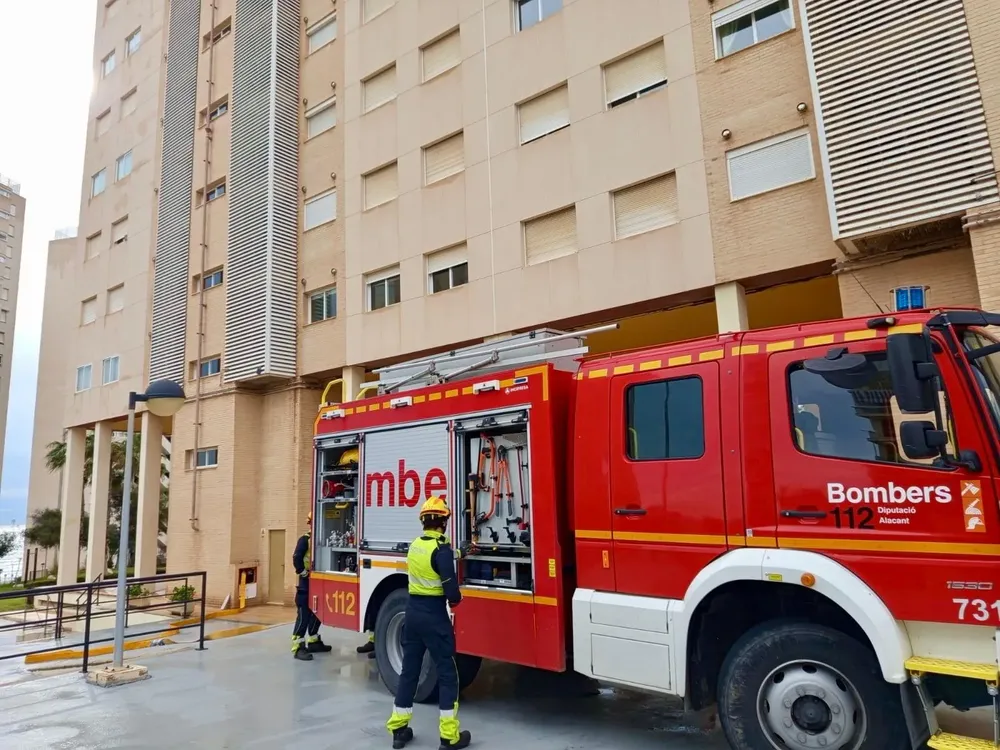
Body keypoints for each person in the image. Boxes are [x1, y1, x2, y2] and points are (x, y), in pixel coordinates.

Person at [385, 497, 472, 750]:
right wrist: (457, 598)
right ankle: (449, 736)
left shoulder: (415, 546)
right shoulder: (441, 550)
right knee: (447, 674)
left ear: (424, 522)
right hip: (434, 617)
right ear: (443, 522)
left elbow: (437, 558)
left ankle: (399, 730)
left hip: (412, 614)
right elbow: (452, 592)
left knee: (409, 672)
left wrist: (459, 552)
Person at [292, 511, 333, 661]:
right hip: (306, 585)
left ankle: (314, 641)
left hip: (317, 582)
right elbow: (296, 558)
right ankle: (298, 647)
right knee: (304, 616)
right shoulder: (305, 540)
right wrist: (303, 573)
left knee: (317, 612)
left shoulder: (320, 539)